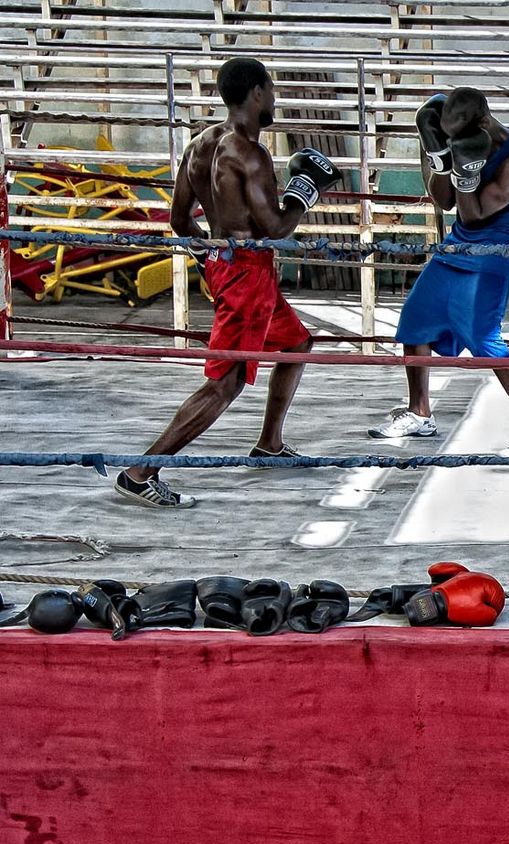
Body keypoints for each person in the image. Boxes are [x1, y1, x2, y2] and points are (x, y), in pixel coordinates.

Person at [116, 57, 338, 509]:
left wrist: (214, 257)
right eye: (270, 90)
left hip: (233, 266)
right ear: (256, 93)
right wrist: (306, 192)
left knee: (296, 345)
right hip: (247, 275)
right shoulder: (250, 154)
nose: (273, 98)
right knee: (226, 381)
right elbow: (276, 227)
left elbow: (180, 220)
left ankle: (269, 445)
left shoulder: (199, 145)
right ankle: (140, 471)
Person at [368, 87, 509, 457]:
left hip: (493, 250)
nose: (452, 142)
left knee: (484, 338)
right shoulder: (448, 127)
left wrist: (466, 173)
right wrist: (437, 156)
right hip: (457, 243)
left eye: (455, 140)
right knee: (416, 318)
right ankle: (420, 413)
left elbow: (473, 211)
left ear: (482, 122)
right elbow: (444, 200)